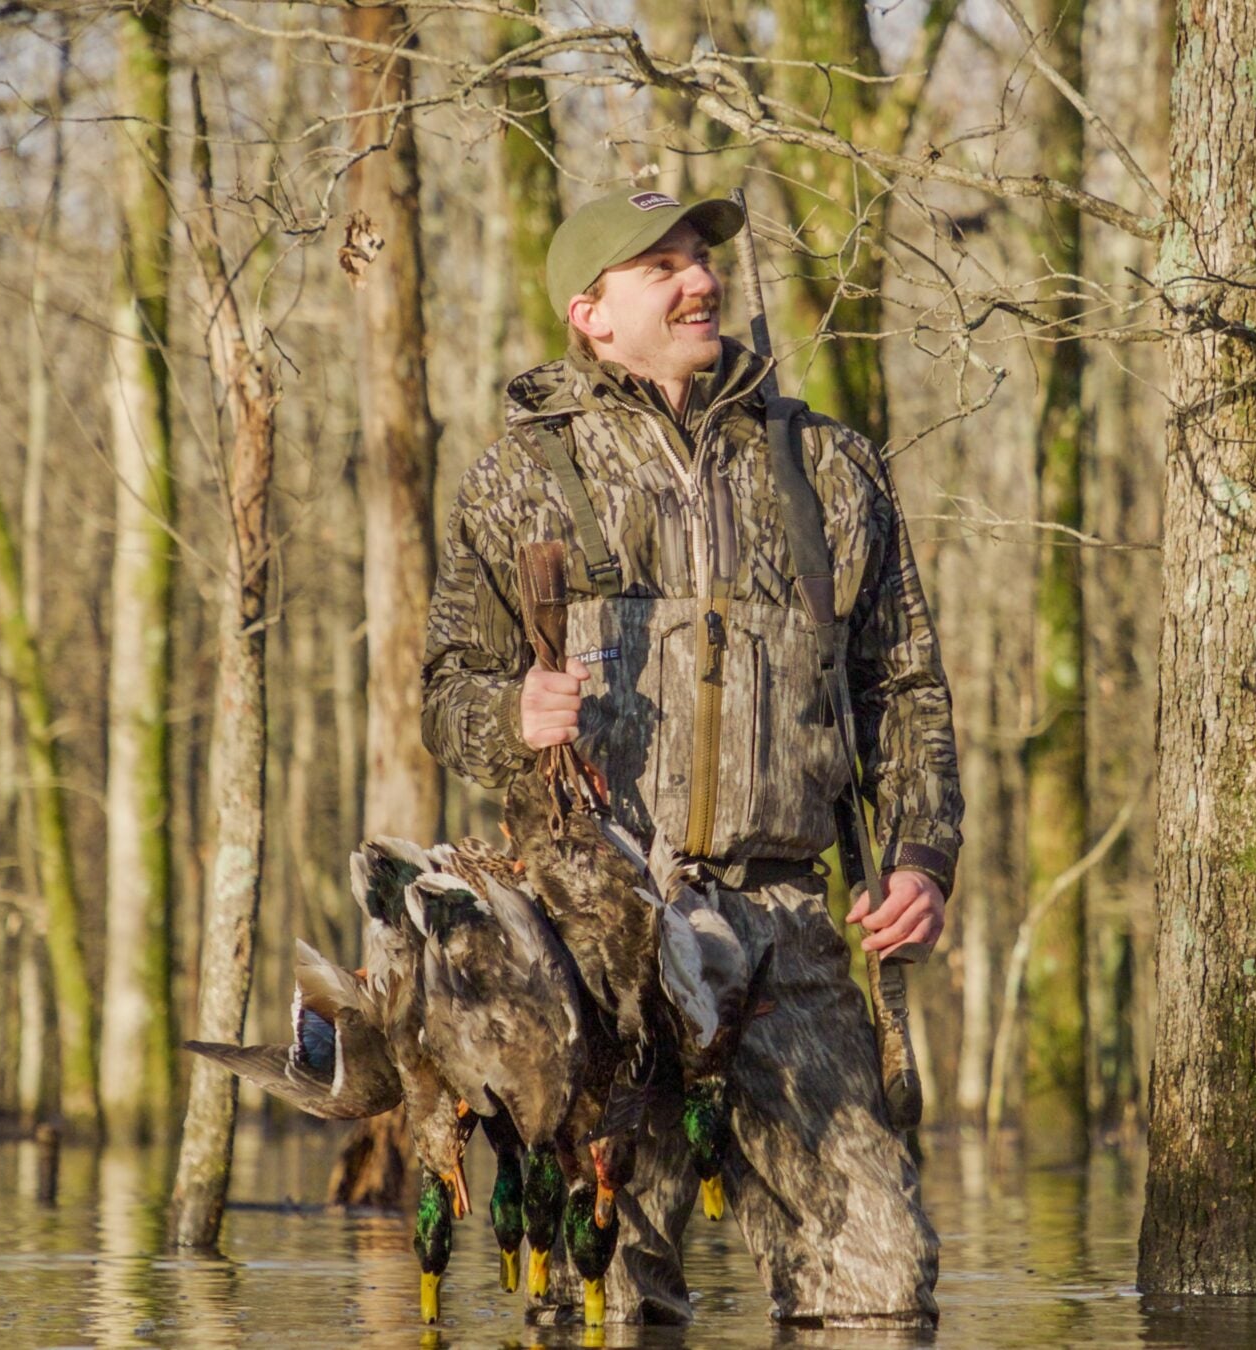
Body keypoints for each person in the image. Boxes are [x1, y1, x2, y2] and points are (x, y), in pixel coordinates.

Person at [420, 187, 963, 1328]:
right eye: (660, 265)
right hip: (593, 942)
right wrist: (507, 716)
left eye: (702, 258)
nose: (699, 279)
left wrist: (919, 862)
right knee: (605, 1306)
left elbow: (901, 686)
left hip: (785, 938)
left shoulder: (831, 468)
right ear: (590, 313)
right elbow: (444, 696)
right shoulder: (516, 477)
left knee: (883, 1291)